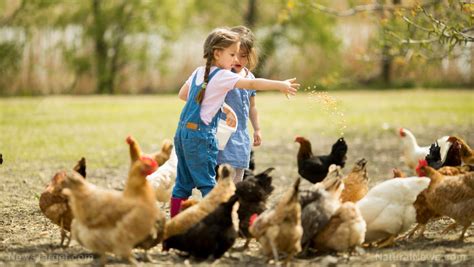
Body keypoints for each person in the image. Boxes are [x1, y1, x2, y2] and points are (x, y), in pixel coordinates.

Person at [170, 27, 299, 217]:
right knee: (209, 185)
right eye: (232, 54)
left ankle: (174, 224)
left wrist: (222, 107)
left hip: (182, 135)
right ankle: (212, 224)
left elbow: (184, 95)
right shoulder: (223, 75)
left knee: (182, 184)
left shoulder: (199, 72)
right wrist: (280, 85)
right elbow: (253, 84)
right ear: (217, 53)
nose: (234, 60)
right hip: (200, 137)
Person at [217, 25, 260, 184]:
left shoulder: (250, 76)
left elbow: (252, 107)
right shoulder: (223, 76)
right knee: (222, 176)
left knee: (239, 175)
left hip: (242, 134)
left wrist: (257, 128)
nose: (238, 60)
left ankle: (233, 203)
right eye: (234, 55)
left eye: (244, 56)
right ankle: (219, 203)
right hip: (224, 132)